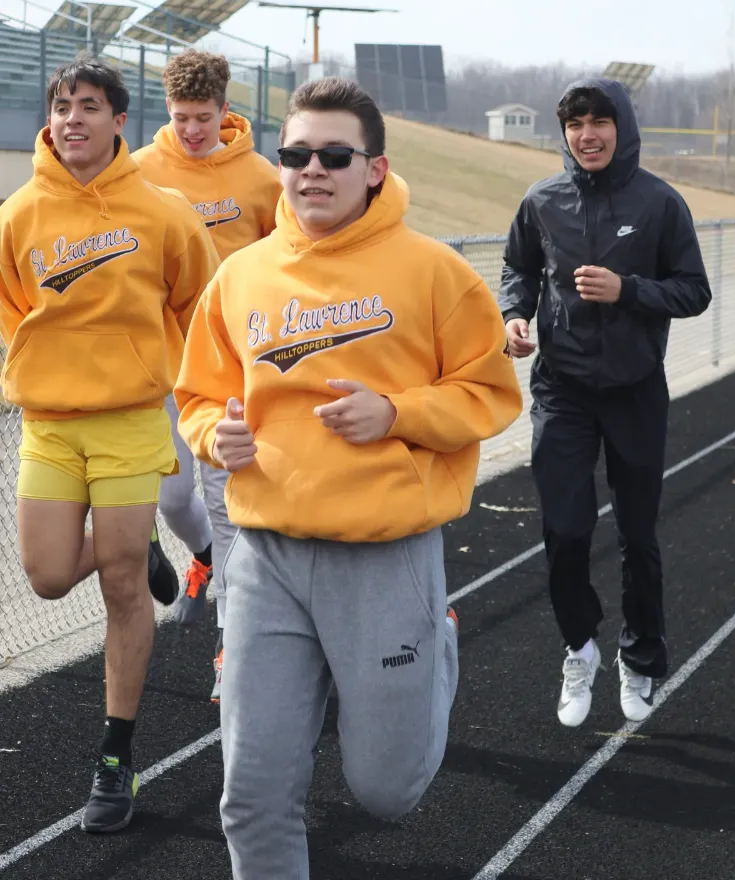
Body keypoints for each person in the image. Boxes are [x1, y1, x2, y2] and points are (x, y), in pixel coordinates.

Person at [175, 76, 522, 879]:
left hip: (384, 556)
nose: (312, 170)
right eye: (296, 153)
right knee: (251, 797)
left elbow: (491, 391)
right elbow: (196, 394)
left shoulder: (434, 272)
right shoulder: (243, 275)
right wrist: (212, 434)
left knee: (385, 792)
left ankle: (433, 645)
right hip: (264, 556)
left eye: (335, 154)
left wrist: (395, 414)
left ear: (375, 167)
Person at [0, 55, 218, 833]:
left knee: (121, 586)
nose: (72, 119)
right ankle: (137, 545)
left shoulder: (162, 213)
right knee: (51, 575)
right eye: (62, 106)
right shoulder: (19, 212)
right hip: (52, 424)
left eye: (89, 106)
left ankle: (115, 757)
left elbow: (201, 304)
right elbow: (12, 307)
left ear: (119, 120)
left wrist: (200, 397)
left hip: (131, 418)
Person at [499, 78, 711, 728]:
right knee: (564, 532)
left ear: (621, 127)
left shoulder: (659, 203)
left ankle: (641, 658)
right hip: (561, 390)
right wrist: (514, 316)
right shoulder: (542, 199)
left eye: (599, 121)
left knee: (638, 537)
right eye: (575, 124)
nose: (587, 134)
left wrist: (629, 290)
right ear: (564, 134)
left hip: (635, 392)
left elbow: (693, 291)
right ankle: (581, 647)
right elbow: (519, 268)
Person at [133, 49, 281, 699]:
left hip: (235, 374)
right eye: (180, 117)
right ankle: (201, 562)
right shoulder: (138, 171)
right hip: (167, 364)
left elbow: (289, 259)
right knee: (170, 498)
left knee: (229, 511)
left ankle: (232, 650)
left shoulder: (260, 179)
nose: (192, 130)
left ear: (226, 111)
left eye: (203, 117)